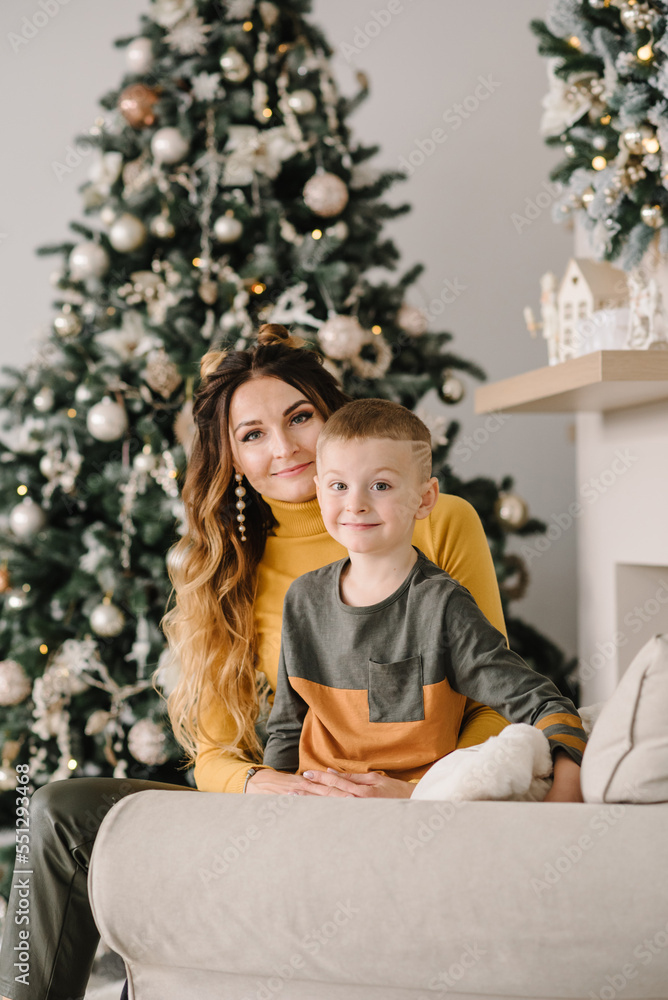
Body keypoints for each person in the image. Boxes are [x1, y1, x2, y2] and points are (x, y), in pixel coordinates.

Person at [0, 325, 511, 1000]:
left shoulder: (434, 518)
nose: (285, 447)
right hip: (273, 809)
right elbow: (213, 754)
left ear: (334, 419)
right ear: (233, 460)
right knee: (59, 809)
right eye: (253, 435)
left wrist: (422, 794)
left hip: (392, 805)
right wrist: (260, 788)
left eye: (300, 417)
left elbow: (496, 704)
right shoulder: (225, 568)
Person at [263, 398, 586, 800]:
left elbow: (542, 703)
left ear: (426, 498)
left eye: (380, 485)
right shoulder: (303, 599)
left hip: (417, 810)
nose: (355, 503)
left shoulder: (442, 606)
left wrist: (567, 796)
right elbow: (286, 731)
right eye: (338, 485)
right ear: (319, 491)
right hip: (316, 810)